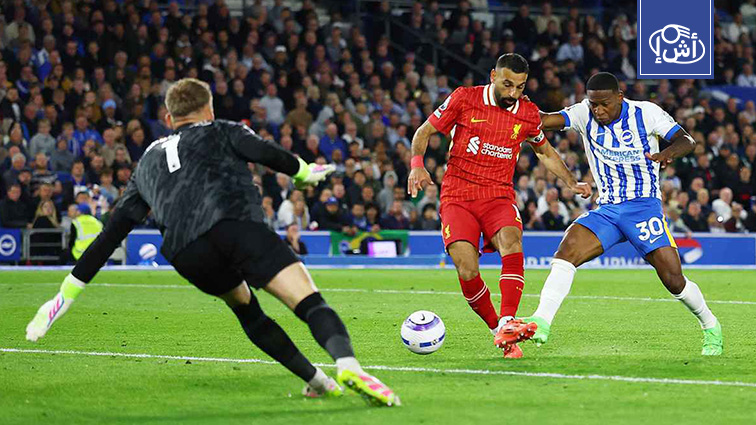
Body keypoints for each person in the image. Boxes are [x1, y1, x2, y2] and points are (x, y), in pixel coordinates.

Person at [26, 78, 399, 406]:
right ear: (208, 109)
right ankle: (348, 366)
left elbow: (111, 235)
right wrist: (304, 172)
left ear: (169, 118)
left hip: (187, 253)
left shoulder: (146, 162)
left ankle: (318, 383)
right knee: (308, 301)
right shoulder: (221, 129)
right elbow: (265, 152)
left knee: (248, 310)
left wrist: (62, 297)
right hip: (235, 225)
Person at [523, 72, 723, 355]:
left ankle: (711, 325)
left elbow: (687, 140)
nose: (598, 110)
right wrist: (522, 106)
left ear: (619, 96)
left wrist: (667, 153)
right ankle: (541, 321)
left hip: (643, 207)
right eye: (594, 104)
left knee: (673, 280)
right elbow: (544, 120)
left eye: (604, 104)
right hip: (607, 209)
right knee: (566, 253)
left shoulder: (646, 113)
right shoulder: (583, 113)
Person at [407, 53, 591, 358]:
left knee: (512, 242)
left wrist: (571, 182)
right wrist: (417, 165)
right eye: (507, 85)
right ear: (493, 76)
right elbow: (423, 131)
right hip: (458, 196)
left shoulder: (527, 113)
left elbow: (544, 152)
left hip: (498, 195)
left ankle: (508, 321)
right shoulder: (464, 98)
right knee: (467, 269)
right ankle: (498, 330)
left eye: (520, 87)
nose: (513, 93)